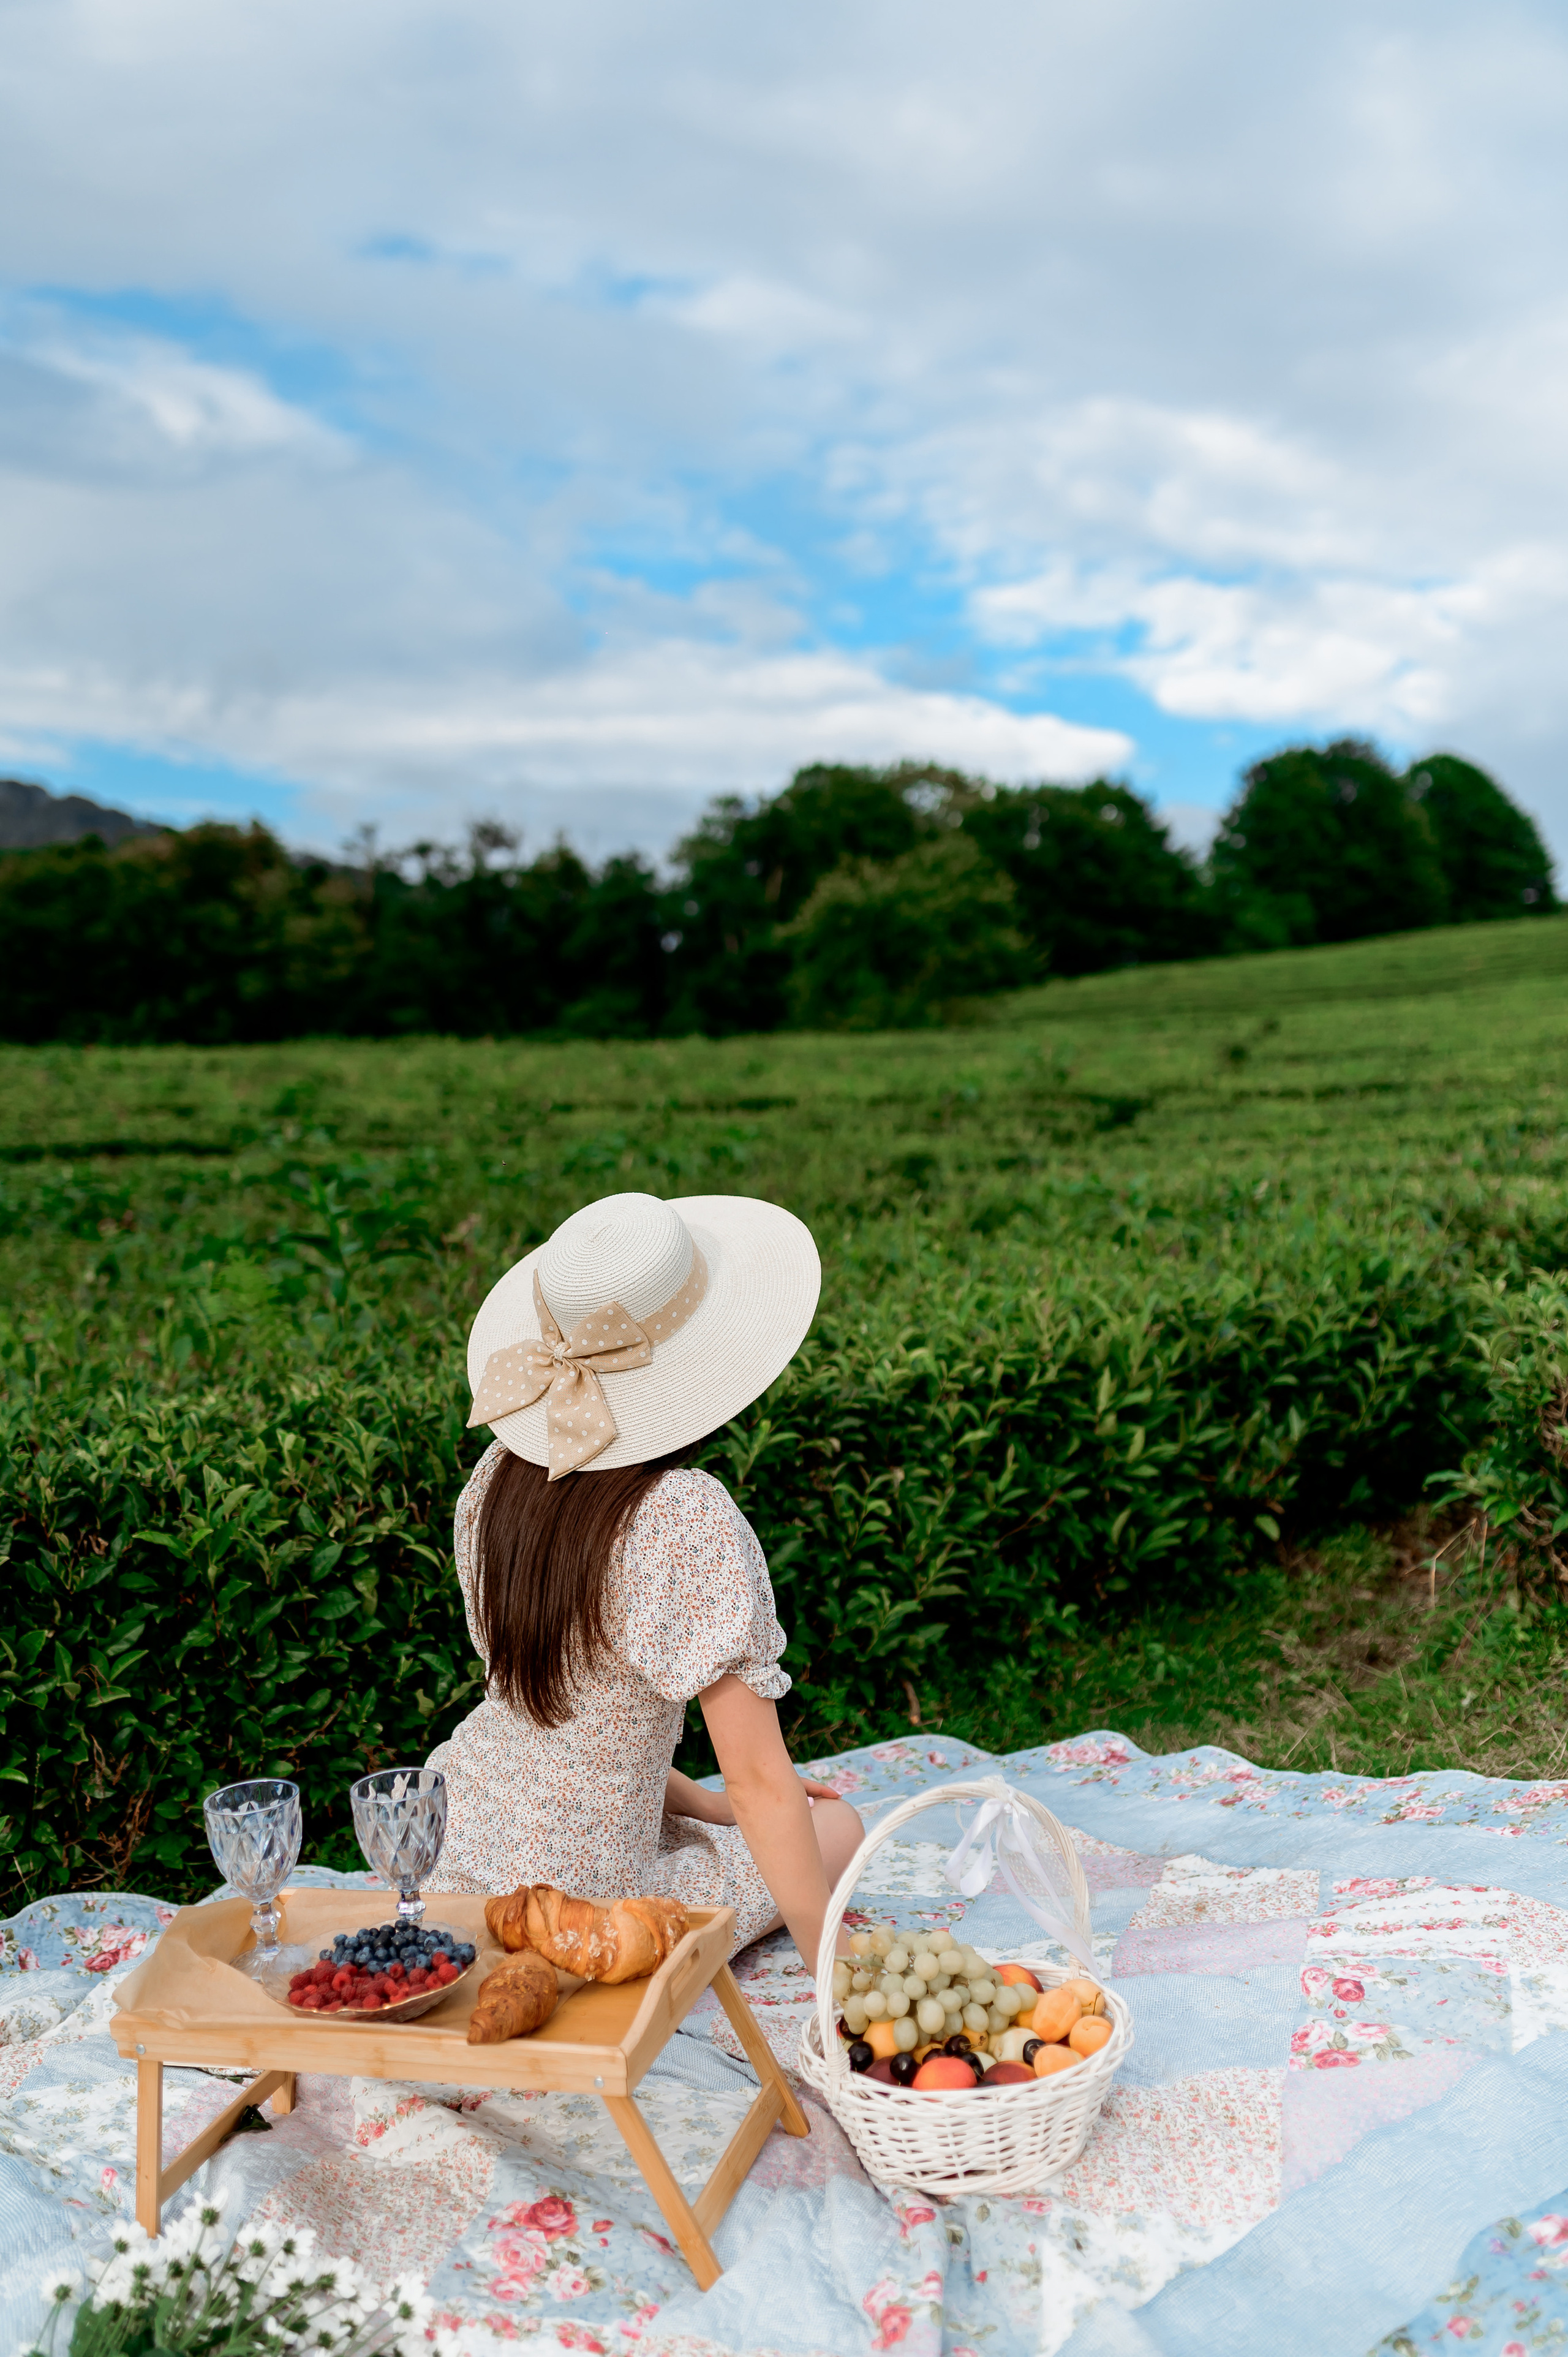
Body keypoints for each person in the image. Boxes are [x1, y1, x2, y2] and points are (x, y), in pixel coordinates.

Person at [427, 1189, 864, 1968]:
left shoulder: (496, 1480)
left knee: (760, 1819)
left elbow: (570, 1721)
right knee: (838, 1829)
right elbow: (762, 1779)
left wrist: (706, 1805)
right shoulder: (679, 1515)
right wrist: (832, 1977)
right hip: (582, 1900)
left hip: (452, 1837)